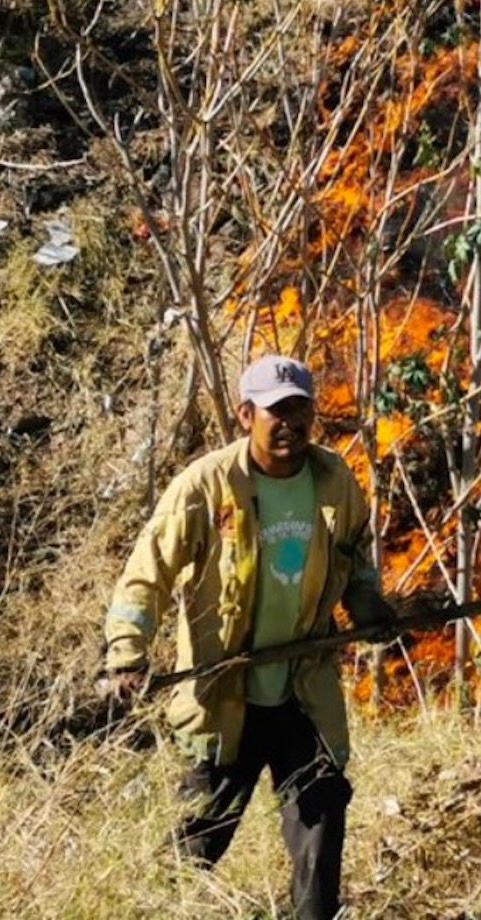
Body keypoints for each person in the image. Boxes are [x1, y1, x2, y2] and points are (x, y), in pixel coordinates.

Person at [102, 354, 396, 920]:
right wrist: (127, 652)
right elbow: (147, 573)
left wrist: (368, 608)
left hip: (301, 689)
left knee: (320, 817)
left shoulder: (334, 480)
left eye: (299, 409)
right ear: (245, 415)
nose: (289, 422)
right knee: (197, 841)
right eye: (274, 411)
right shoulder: (206, 486)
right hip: (225, 695)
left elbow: (356, 560)